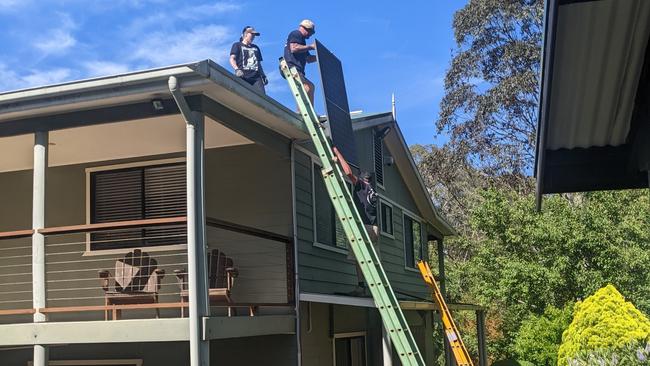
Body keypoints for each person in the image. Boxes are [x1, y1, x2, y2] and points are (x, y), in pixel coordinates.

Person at [333, 147, 379, 296]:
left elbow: (348, 173)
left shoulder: (362, 186)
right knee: (369, 258)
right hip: (374, 228)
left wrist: (337, 153)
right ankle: (372, 286)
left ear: (363, 179)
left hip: (364, 227)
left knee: (360, 258)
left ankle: (361, 287)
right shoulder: (373, 189)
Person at [283, 19, 318, 104]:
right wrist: (311, 46)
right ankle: (301, 112)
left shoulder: (302, 42)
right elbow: (294, 48)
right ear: (306, 28)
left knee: (311, 87)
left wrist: (320, 57)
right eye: (310, 32)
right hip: (292, 68)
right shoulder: (296, 33)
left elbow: (308, 59)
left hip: (298, 70)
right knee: (306, 87)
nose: (310, 35)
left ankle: (310, 111)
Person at [230, 26, 268, 93]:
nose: (253, 36)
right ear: (245, 34)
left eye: (254, 35)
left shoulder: (256, 48)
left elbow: (258, 63)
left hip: (256, 78)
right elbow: (232, 59)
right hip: (243, 76)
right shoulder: (237, 45)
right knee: (243, 96)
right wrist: (237, 69)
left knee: (262, 97)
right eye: (252, 34)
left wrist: (263, 75)